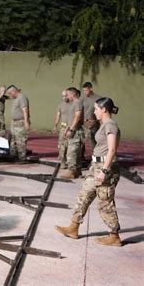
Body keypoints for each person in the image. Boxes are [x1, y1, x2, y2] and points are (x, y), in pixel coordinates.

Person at [55, 97, 122, 247]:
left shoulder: (110, 125)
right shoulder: (104, 125)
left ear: (104, 109)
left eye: (97, 108)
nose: (95, 111)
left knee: (105, 202)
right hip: (96, 166)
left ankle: (114, 235)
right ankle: (74, 227)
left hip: (105, 168)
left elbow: (112, 149)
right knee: (84, 195)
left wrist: (104, 170)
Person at [59, 87, 85, 179]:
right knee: (76, 153)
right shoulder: (74, 103)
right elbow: (72, 118)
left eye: (68, 94)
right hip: (73, 129)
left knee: (71, 152)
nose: (67, 96)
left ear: (73, 94)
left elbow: (77, 117)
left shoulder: (77, 102)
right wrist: (67, 128)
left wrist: (72, 129)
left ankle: (71, 171)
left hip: (76, 131)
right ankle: (77, 171)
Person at [5, 85, 30, 162]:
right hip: (14, 122)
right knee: (13, 140)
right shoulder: (16, 98)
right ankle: (13, 156)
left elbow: (24, 110)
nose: (10, 95)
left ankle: (22, 158)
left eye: (10, 93)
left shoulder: (22, 98)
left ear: (14, 91)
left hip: (20, 122)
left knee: (20, 140)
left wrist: (26, 122)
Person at [81, 82, 102, 154]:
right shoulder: (82, 98)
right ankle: (81, 158)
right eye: (83, 90)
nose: (84, 92)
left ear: (91, 89)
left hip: (94, 124)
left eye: (86, 90)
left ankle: (95, 159)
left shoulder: (99, 98)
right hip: (83, 124)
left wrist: (96, 121)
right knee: (80, 142)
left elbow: (101, 112)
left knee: (94, 142)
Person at [53, 90, 71, 169]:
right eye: (63, 96)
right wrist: (55, 126)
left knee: (70, 145)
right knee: (62, 145)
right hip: (63, 127)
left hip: (71, 127)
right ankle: (63, 162)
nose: (64, 97)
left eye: (66, 95)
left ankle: (70, 162)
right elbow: (58, 116)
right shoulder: (60, 105)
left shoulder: (73, 104)